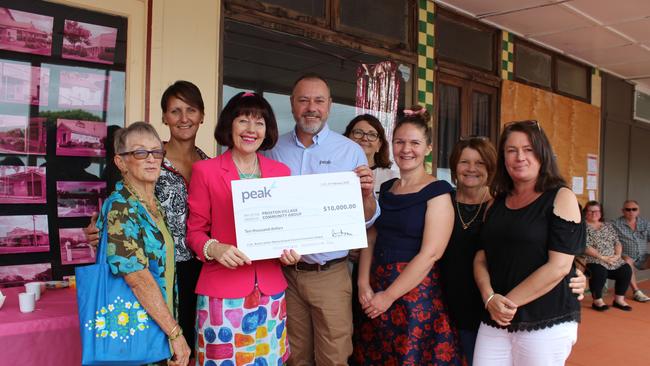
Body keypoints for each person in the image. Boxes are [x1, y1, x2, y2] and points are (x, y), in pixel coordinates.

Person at [85, 81, 210, 354]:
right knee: (154, 343)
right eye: (175, 110)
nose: (184, 118)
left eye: (191, 110)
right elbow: (118, 218)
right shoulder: (146, 163)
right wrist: (100, 232)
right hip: (153, 273)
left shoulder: (209, 165)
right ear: (164, 117)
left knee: (185, 348)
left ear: (203, 115)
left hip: (194, 272)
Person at [265, 73, 379, 365]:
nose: (311, 107)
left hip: (330, 274)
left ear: (329, 105)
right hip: (285, 275)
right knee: (294, 357)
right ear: (292, 105)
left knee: (334, 357)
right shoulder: (273, 151)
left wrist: (366, 196)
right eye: (303, 100)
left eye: (318, 100)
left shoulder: (350, 151)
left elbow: (365, 221)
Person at [186, 92, 301, 365]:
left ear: (267, 130)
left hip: (270, 292)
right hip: (223, 295)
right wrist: (214, 247)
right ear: (230, 124)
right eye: (243, 121)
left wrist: (292, 252)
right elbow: (194, 232)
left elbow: (287, 229)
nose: (251, 130)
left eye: (259, 122)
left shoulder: (280, 172)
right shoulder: (206, 171)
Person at [354, 106, 464, 365]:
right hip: (375, 287)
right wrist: (363, 284)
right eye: (400, 142)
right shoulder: (387, 188)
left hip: (414, 292)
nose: (406, 149)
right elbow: (371, 235)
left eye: (414, 143)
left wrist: (388, 296)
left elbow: (431, 254)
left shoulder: (438, 191)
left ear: (428, 148)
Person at [473, 120, 585, 365]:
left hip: (544, 318)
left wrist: (505, 303)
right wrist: (490, 298)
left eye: (528, 149)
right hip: (495, 315)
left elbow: (559, 267)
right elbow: (482, 255)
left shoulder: (561, 197)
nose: (519, 157)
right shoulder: (496, 202)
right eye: (511, 150)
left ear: (542, 154)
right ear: (503, 157)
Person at [103, 122, 190, 365]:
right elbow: (136, 277)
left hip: (157, 326)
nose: (151, 159)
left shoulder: (153, 206)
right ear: (121, 162)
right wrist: (175, 333)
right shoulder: (121, 207)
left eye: (156, 151)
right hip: (135, 328)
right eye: (140, 152)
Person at [438, 136, 497, 365]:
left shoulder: (500, 205)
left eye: (480, 163)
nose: (471, 169)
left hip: (482, 305)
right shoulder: (441, 200)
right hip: (441, 302)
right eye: (464, 162)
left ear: (490, 168)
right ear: (454, 166)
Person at [583, 201, 633, 311]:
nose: (593, 213)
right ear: (585, 213)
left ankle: (618, 300)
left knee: (626, 269)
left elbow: (617, 242)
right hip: (593, 259)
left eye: (596, 211)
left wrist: (617, 255)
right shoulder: (582, 227)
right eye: (590, 211)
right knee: (599, 271)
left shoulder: (608, 225)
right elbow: (585, 246)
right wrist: (602, 257)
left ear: (601, 213)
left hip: (612, 259)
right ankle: (597, 301)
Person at [344, 114, 399, 195]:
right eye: (358, 132)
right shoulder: (334, 172)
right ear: (347, 138)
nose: (364, 138)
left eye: (372, 135)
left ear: (379, 145)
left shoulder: (392, 179)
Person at [611, 199, 650, 302]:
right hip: (625, 256)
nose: (631, 212)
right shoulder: (615, 224)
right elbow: (609, 240)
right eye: (628, 209)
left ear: (638, 211)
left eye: (634, 209)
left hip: (643, 257)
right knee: (628, 260)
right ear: (623, 211)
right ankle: (637, 292)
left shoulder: (645, 223)